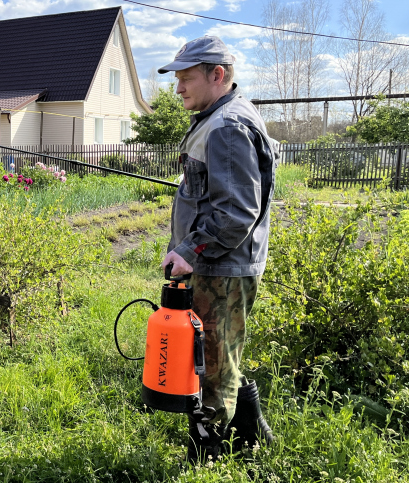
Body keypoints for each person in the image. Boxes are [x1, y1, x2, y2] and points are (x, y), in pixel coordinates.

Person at [157, 36, 277, 461]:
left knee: (210, 366)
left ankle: (208, 455)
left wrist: (190, 250)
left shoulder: (226, 126)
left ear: (217, 75)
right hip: (219, 264)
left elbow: (236, 213)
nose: (178, 88)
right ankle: (252, 432)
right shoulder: (218, 118)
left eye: (186, 78)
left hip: (222, 268)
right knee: (219, 354)